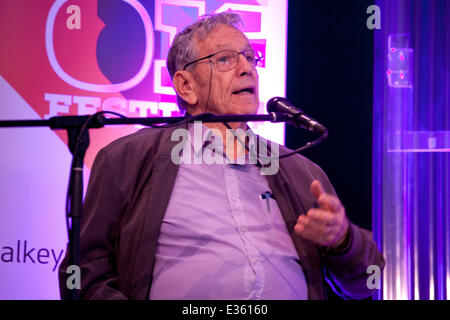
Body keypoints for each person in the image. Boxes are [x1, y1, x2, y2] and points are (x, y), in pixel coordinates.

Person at [59, 11, 384, 300]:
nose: (247, 69)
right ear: (186, 86)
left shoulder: (300, 170)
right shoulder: (128, 159)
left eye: (249, 57)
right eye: (226, 59)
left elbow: (369, 280)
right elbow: (84, 271)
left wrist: (343, 240)